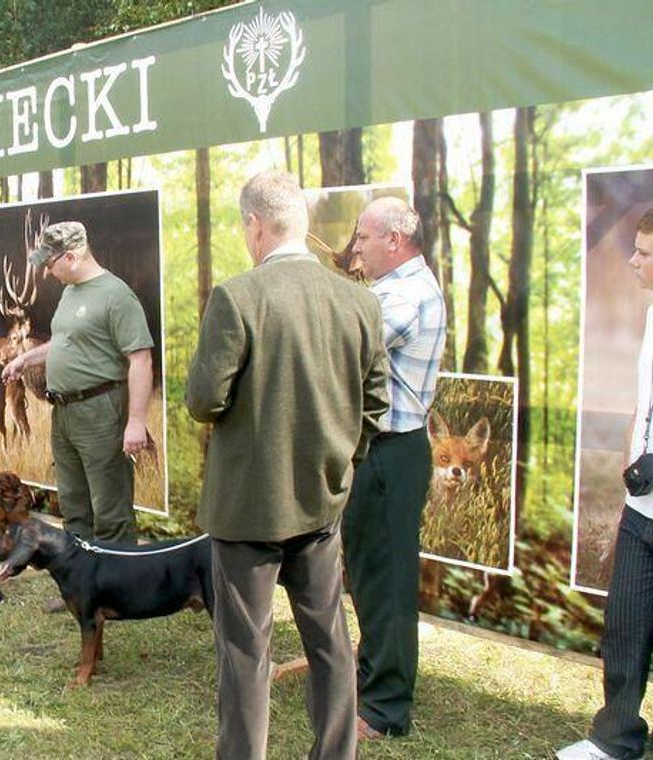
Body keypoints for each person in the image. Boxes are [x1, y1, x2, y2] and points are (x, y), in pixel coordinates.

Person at [186, 170, 389, 760]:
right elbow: (374, 404)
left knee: (247, 652)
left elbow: (204, 400)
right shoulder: (359, 300)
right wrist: (341, 464)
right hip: (322, 502)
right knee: (329, 639)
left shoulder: (238, 297)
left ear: (255, 225)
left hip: (249, 507)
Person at [342, 195, 446, 739]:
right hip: (376, 452)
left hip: (391, 454)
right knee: (368, 574)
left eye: (362, 237)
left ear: (394, 240)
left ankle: (385, 709)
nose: (355, 247)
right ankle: (373, 676)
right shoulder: (386, 290)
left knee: (387, 582)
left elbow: (348, 344)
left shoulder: (410, 295)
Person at [557, 209, 653, 760]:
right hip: (640, 509)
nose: (633, 259)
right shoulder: (650, 316)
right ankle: (614, 737)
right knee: (625, 626)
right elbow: (641, 405)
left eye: (644, 252)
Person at [2, 221, 153, 548]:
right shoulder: (70, 293)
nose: (47, 271)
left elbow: (141, 359)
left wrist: (137, 422)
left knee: (110, 512)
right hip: (64, 412)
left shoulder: (116, 295)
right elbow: (65, 341)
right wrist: (24, 360)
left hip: (100, 411)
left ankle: (118, 594)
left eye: (49, 263)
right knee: (73, 507)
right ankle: (81, 590)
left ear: (71, 256)